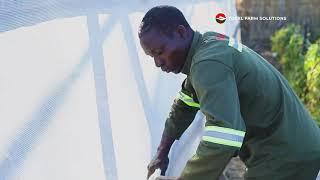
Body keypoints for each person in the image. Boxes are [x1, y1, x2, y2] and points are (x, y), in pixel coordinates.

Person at [138, 5, 320, 180]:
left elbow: (225, 134)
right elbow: (184, 104)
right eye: (152, 56)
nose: (158, 62)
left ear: (181, 32)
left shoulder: (207, 63)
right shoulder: (207, 45)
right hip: (290, 144)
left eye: (159, 52)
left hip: (285, 154)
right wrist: (161, 153)